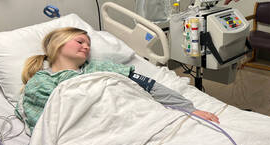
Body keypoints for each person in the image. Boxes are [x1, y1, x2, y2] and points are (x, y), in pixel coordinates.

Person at [15, 27, 219, 133]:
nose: (86, 47)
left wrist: (188, 108)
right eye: (80, 41)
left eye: (88, 44)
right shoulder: (40, 82)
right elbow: (46, 126)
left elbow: (149, 86)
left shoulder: (100, 68)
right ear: (58, 44)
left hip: (135, 119)